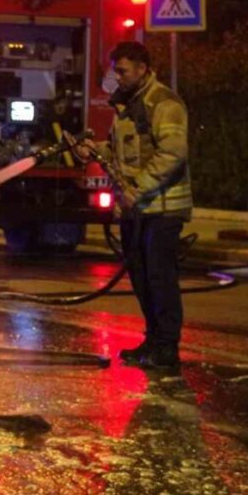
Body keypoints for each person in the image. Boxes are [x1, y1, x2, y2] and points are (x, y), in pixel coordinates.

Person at [75, 41, 192, 369]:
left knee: (159, 278)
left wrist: (138, 189)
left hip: (162, 209)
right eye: (116, 71)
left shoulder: (163, 103)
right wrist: (93, 149)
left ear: (142, 69)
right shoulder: (128, 106)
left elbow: (172, 153)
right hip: (138, 210)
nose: (118, 77)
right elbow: (119, 150)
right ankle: (153, 340)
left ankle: (167, 347)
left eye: (123, 71)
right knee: (141, 277)